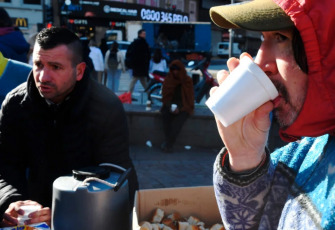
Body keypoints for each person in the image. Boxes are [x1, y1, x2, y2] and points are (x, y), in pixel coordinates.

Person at [209, 0, 335, 229]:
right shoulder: (307, 148)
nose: (259, 63)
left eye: (281, 38)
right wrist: (245, 158)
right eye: (262, 38)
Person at [0, 27, 139, 227]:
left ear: (79, 71)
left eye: (55, 67)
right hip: (32, 215)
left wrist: (66, 210)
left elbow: (119, 175)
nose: (43, 76)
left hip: (89, 212)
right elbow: (5, 166)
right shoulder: (15, 104)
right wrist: (12, 201)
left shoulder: (105, 106)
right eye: (38, 64)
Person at [160, 60, 194, 153]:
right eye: (173, 69)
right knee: (165, 117)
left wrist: (181, 108)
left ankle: (168, 144)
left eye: (177, 69)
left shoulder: (187, 81)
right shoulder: (169, 79)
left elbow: (189, 98)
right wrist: (170, 106)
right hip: (170, 105)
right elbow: (165, 97)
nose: (175, 72)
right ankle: (168, 144)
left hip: (184, 106)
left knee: (177, 124)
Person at [126, 29, 151, 96]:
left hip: (138, 66)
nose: (144, 35)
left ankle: (149, 95)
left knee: (139, 81)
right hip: (140, 66)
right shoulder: (142, 43)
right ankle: (149, 95)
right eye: (143, 34)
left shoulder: (137, 42)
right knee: (138, 80)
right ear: (139, 34)